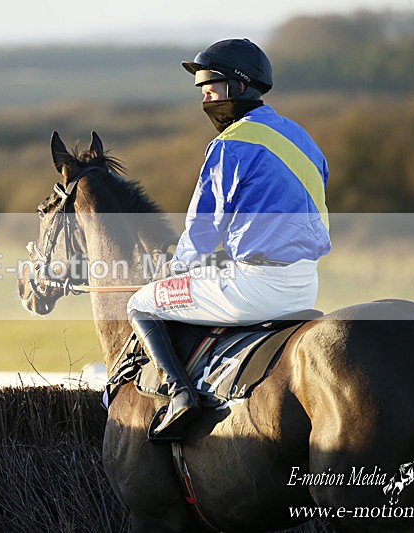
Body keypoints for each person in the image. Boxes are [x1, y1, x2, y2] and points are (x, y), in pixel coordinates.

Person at [127, 38, 331, 440]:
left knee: (141, 303)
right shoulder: (300, 136)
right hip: (305, 285)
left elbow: (204, 227)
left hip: (254, 287)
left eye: (211, 86)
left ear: (238, 88)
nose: (204, 95)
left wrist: (178, 267)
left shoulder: (231, 144)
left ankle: (181, 396)